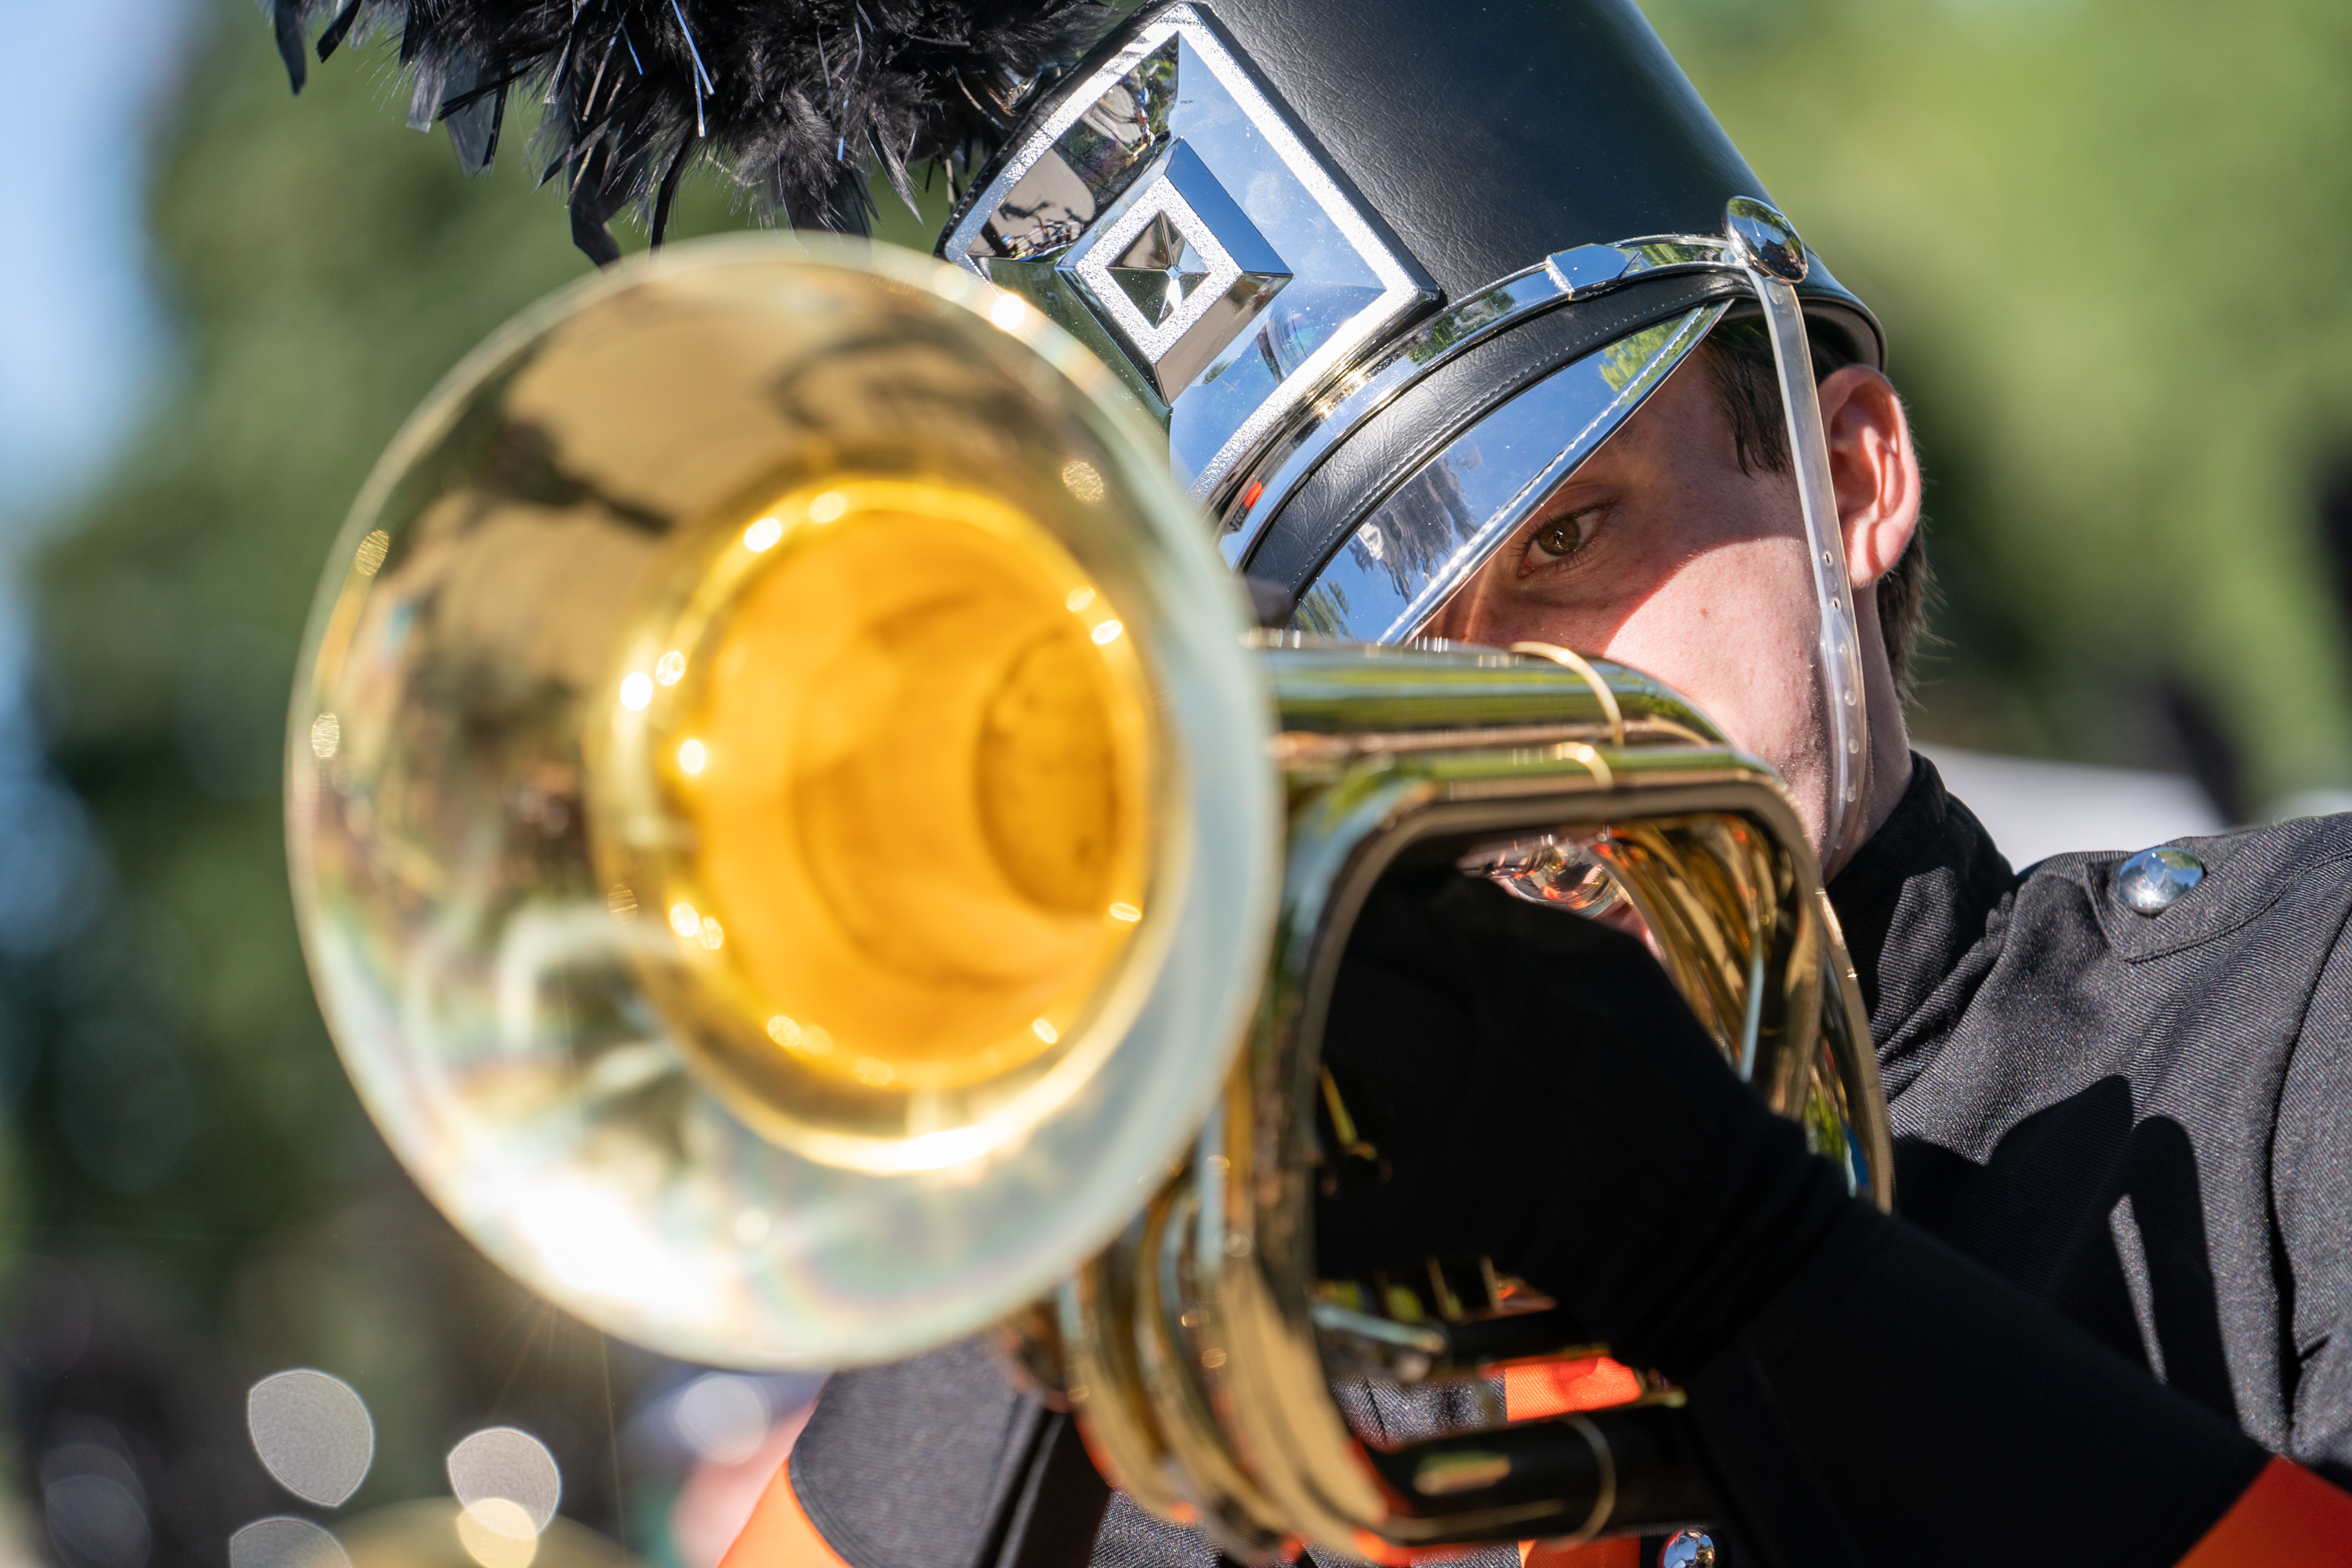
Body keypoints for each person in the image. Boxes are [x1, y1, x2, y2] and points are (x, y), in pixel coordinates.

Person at [260, 0, 2352, 1562]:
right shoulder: (1203, 1358)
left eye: (1570, 535)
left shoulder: (2286, 1016)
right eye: (1348, 644)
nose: (1498, 698)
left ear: (1854, 469)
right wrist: (1029, 1149)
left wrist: (1760, 1280)